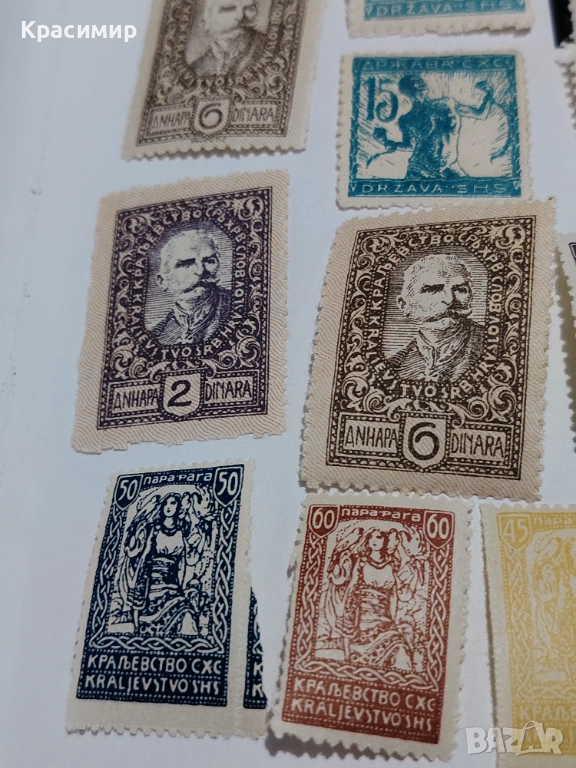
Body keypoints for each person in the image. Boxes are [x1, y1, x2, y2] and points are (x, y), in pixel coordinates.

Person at [116, 492, 212, 636]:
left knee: (186, 614)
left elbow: (191, 559)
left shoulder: (183, 531)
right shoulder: (153, 529)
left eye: (173, 503)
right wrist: (139, 585)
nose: (168, 506)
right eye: (166, 503)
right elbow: (143, 557)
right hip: (153, 589)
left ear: (178, 507)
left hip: (173, 587)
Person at [368, 75, 501, 179]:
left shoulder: (447, 103)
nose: (420, 82)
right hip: (420, 170)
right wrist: (386, 141)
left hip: (449, 168)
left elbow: (480, 114)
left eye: (420, 80)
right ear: (406, 90)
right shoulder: (406, 119)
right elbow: (410, 145)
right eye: (414, 81)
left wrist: (488, 95)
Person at [389, 253, 484, 381]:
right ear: (404, 305)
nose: (449, 300)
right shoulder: (395, 365)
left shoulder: (490, 344)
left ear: (471, 296)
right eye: (432, 290)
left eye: (460, 289)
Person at [150, 228, 231, 346]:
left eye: (209, 261)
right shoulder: (157, 333)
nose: (200, 271)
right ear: (162, 281)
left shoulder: (238, 307)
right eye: (186, 264)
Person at [190, 0, 266, 77]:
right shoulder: (196, 68)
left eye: (249, 8)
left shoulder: (266, 48)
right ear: (204, 22)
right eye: (228, 9)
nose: (240, 16)